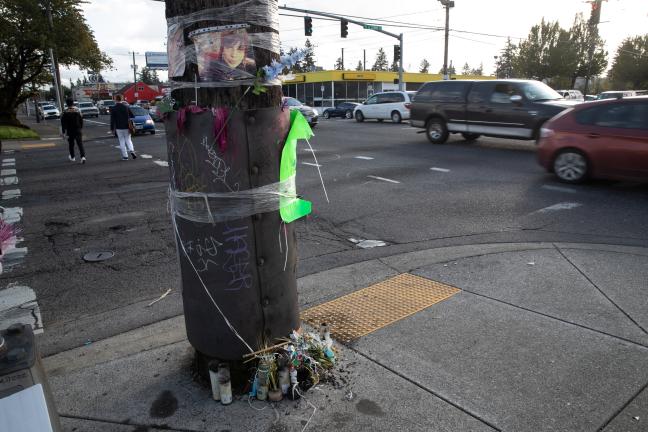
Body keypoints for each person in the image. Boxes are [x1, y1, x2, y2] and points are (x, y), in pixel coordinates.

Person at [110, 95, 137, 160]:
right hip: (127, 126)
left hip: (119, 127)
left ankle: (125, 156)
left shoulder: (113, 108)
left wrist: (112, 128)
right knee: (128, 139)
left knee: (121, 141)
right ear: (121, 99)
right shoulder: (126, 107)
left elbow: (112, 119)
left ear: (115, 99)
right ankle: (131, 150)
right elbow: (132, 116)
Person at [60, 98, 85, 164]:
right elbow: (81, 120)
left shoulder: (65, 112)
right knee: (80, 144)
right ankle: (82, 157)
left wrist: (63, 132)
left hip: (70, 130)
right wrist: (81, 127)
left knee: (71, 144)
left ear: (67, 103)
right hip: (77, 129)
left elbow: (63, 123)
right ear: (73, 103)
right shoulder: (77, 110)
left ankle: (73, 157)